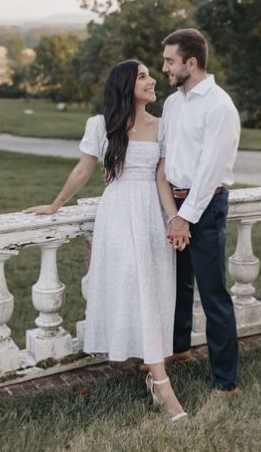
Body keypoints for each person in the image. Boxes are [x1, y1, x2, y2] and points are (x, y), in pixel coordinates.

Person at [26, 60, 187, 422]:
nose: (152, 80)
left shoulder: (163, 126)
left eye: (150, 74)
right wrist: (56, 204)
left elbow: (161, 179)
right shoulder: (101, 125)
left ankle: (153, 368)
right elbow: (84, 168)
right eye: (143, 76)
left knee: (154, 289)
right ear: (126, 85)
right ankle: (161, 384)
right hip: (116, 215)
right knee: (131, 286)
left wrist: (174, 217)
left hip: (150, 215)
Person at [161, 28, 241, 395]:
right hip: (173, 203)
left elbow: (210, 171)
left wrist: (184, 217)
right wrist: (170, 210)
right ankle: (180, 349)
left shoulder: (220, 106)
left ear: (190, 63)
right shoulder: (172, 103)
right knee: (176, 284)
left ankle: (226, 381)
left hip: (204, 207)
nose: (164, 68)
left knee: (213, 293)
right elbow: (167, 157)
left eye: (169, 61)